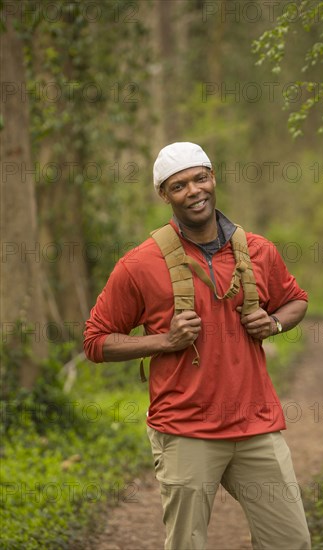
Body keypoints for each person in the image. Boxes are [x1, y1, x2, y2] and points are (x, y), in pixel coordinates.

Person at [84, 142, 311, 550]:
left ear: (213, 178)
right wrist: (164, 340)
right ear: (164, 195)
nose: (193, 191)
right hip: (186, 430)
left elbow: (296, 299)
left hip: (256, 425)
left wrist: (274, 322)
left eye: (199, 178)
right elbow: (96, 340)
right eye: (179, 185)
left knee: (290, 541)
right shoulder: (140, 263)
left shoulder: (258, 250)